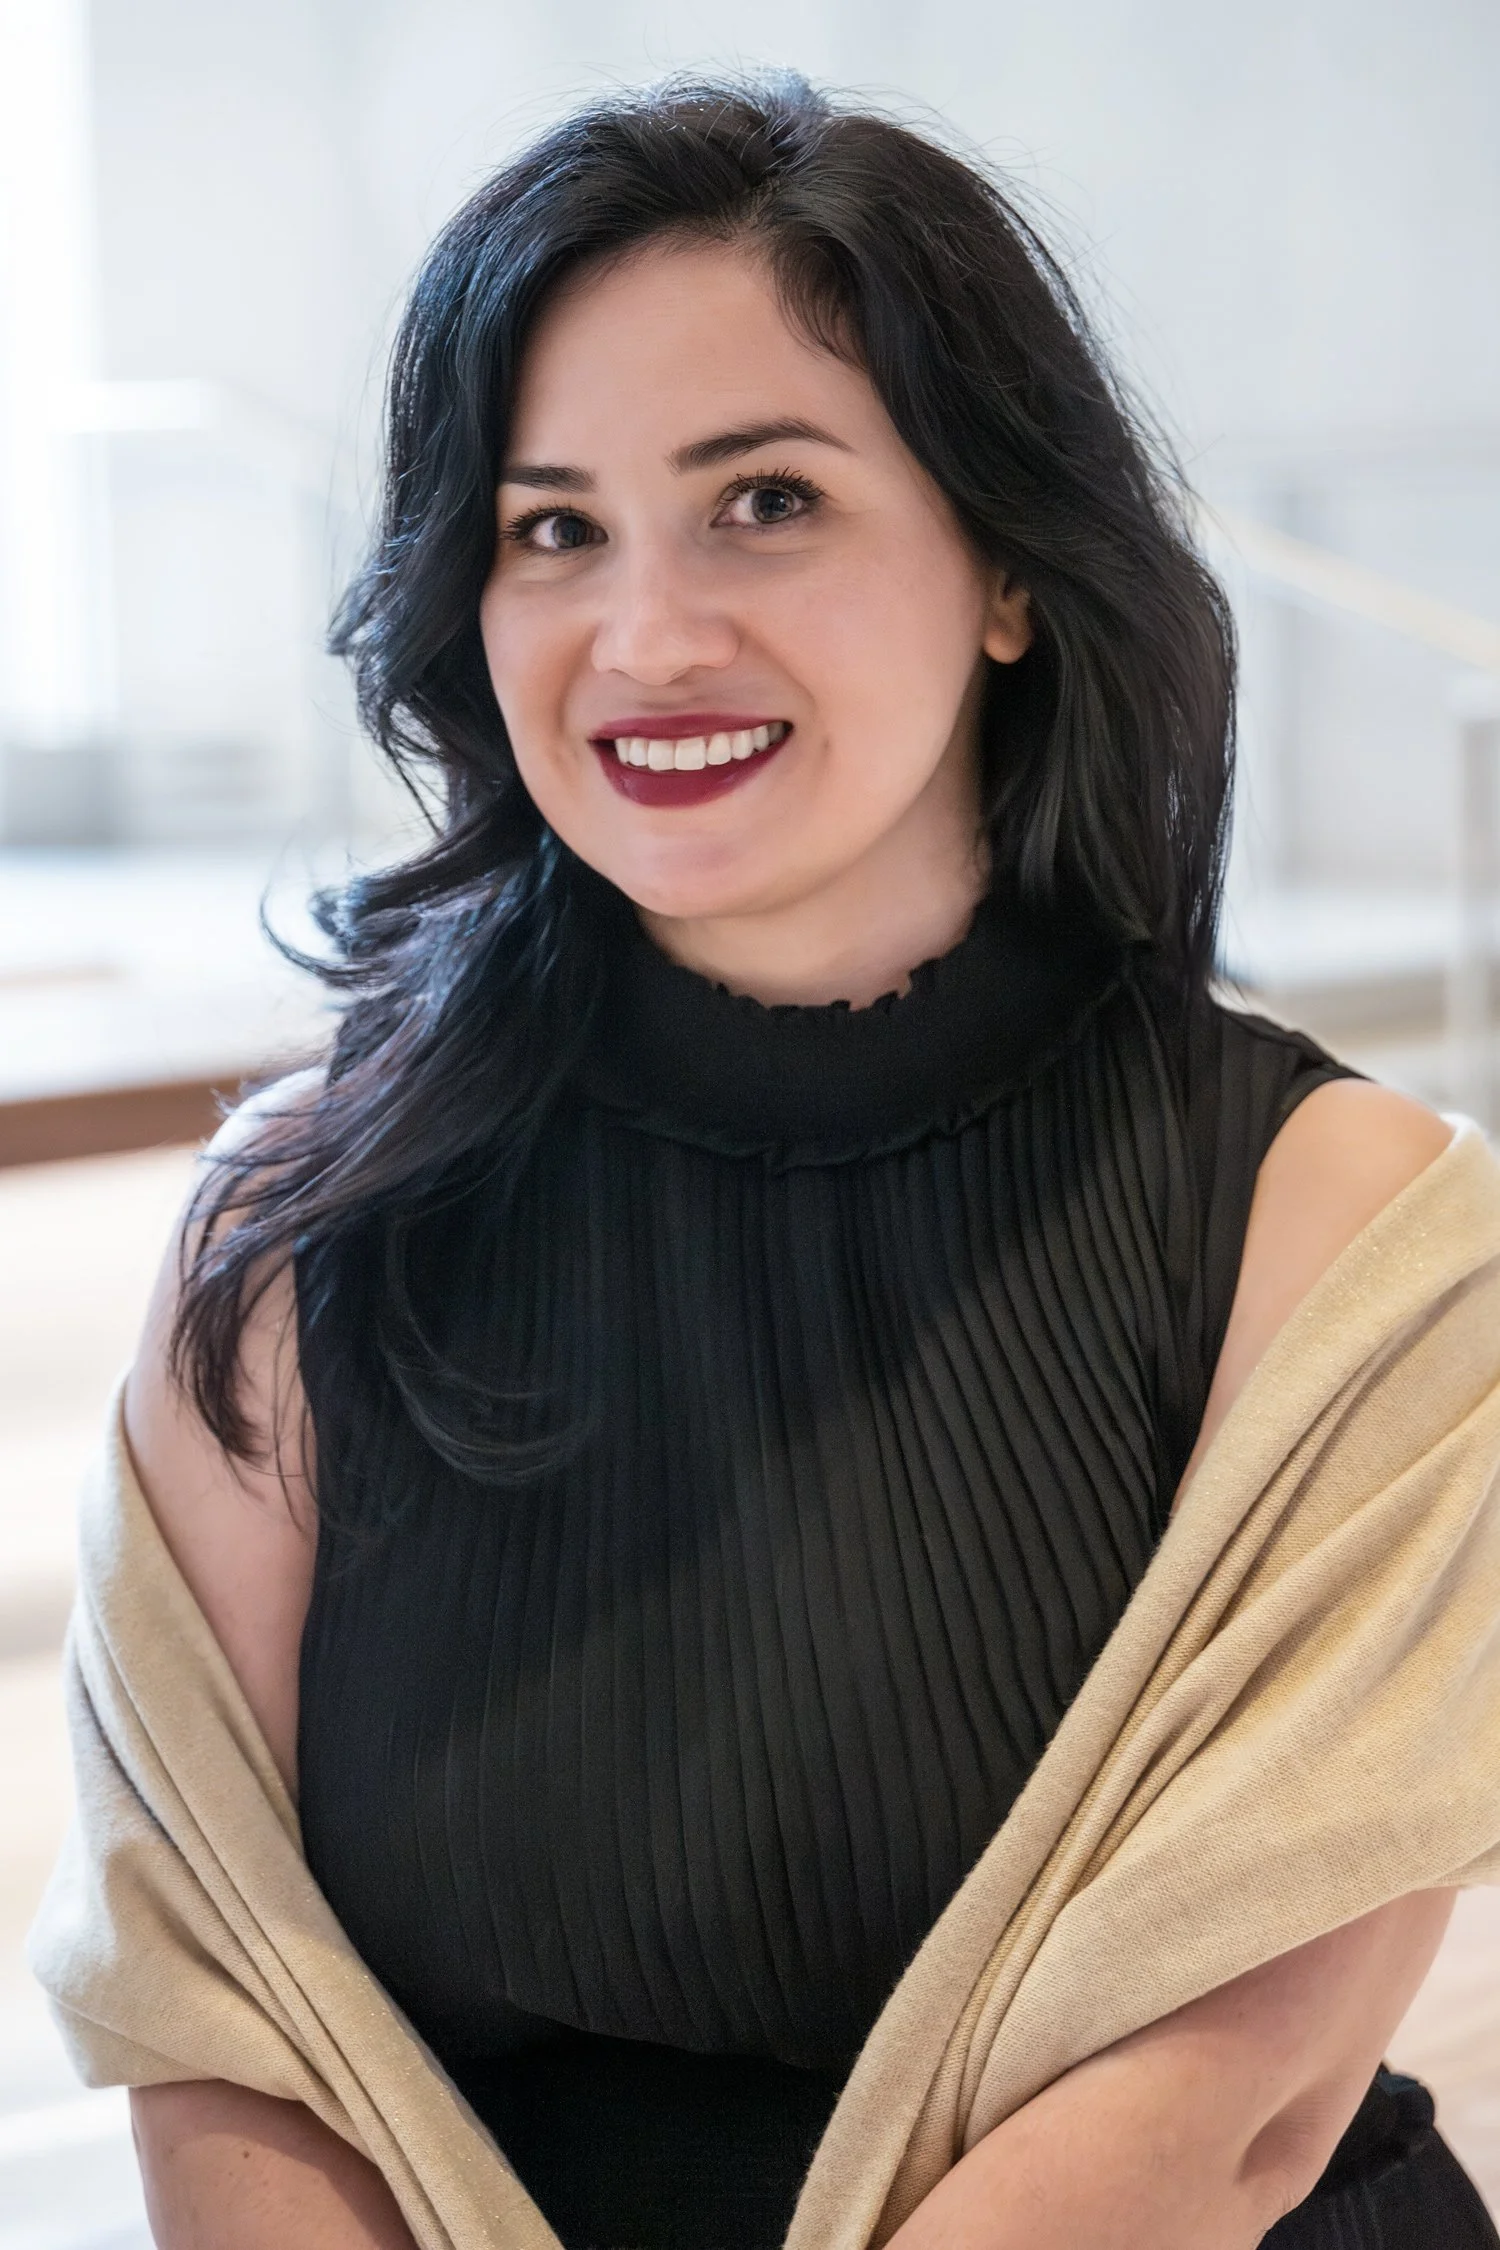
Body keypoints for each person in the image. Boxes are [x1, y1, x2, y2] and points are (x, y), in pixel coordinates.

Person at [89, 76, 1500, 2250]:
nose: (642, 638)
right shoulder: (296, 1233)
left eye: (764, 501)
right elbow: (221, 2035)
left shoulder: (1351, 1238)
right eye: (552, 526)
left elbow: (1218, 2113)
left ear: (1014, 566)